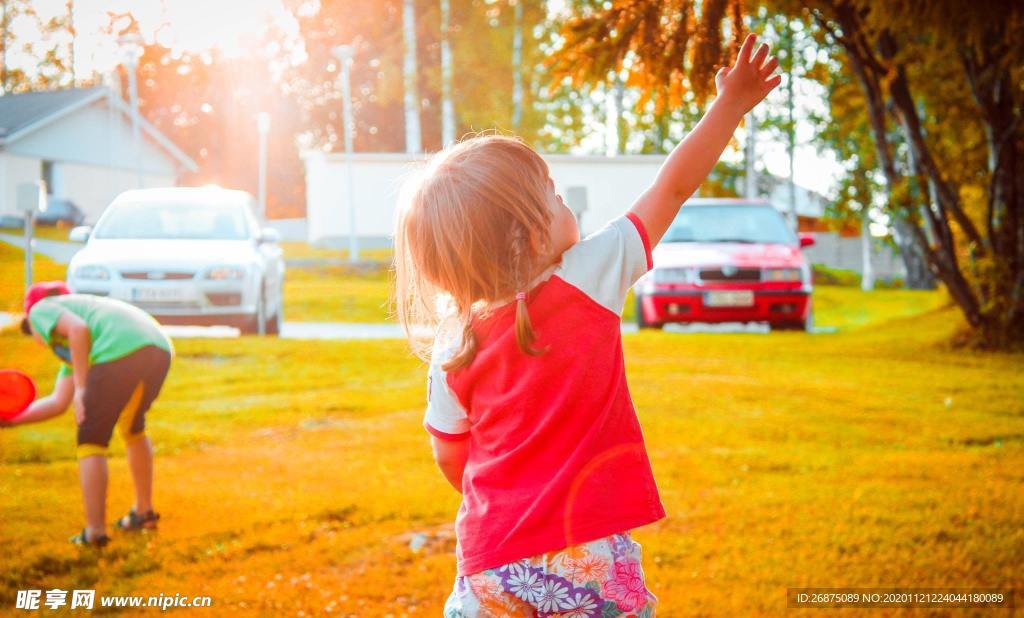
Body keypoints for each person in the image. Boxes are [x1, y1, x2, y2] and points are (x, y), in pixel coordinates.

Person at [393, 33, 780, 616]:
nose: (565, 202)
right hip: (587, 552)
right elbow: (672, 188)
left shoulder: (455, 346)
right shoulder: (587, 277)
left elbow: (451, 457)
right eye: (552, 195)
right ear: (528, 233)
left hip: (491, 561)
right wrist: (728, 106)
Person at [2, 282, 174, 547]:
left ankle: (94, 532)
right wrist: (9, 420)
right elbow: (58, 402)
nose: (37, 339)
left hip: (122, 348)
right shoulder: (82, 346)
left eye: (30, 332)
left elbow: (77, 330)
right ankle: (143, 512)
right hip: (157, 345)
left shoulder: (41, 310)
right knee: (132, 427)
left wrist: (82, 389)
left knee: (90, 438)